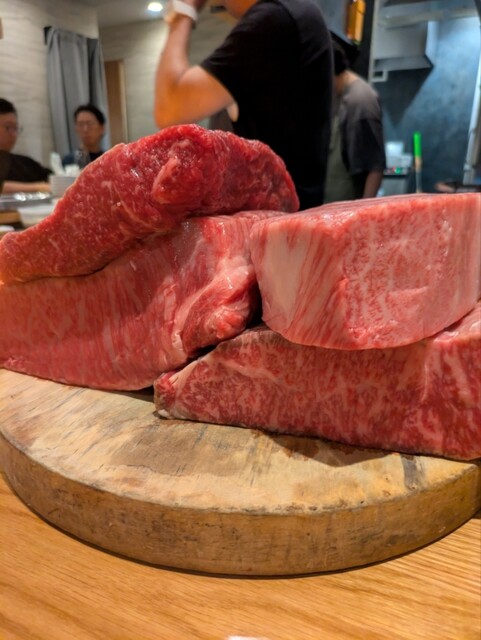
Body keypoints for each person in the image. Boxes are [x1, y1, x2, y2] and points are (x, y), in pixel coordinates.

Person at [154, 0, 333, 210]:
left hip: (279, 217)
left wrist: (183, 9)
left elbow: (169, 108)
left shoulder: (275, 18)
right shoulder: (293, 13)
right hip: (287, 212)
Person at [323, 41, 386, 203]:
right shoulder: (338, 93)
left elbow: (375, 167)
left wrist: (364, 212)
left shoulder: (361, 101)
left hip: (347, 206)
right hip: (331, 206)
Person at [0, 98, 52, 194]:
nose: (14, 134)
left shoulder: (26, 163)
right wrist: (39, 187)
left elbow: (52, 179)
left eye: (15, 128)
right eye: (8, 127)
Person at [63, 104, 106, 168]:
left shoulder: (107, 159)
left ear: (102, 128)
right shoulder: (68, 161)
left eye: (90, 124)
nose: (85, 129)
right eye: (80, 124)